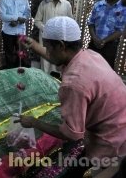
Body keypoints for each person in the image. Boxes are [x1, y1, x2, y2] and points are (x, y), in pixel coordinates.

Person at [17, 16, 126, 177]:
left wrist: (34, 122)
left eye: (47, 47)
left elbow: (72, 134)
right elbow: (56, 58)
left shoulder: (73, 84)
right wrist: (33, 45)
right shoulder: (89, 55)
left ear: (61, 45)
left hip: (111, 142)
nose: (46, 51)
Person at [34, 0, 73, 74]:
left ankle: (55, 83)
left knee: (58, 61)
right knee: (45, 61)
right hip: (46, 37)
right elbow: (37, 21)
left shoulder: (67, 5)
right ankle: (45, 83)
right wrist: (46, 29)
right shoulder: (44, 3)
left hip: (60, 39)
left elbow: (70, 22)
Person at [88, 0, 125, 69]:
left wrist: (104, 41)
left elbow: (120, 30)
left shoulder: (124, 9)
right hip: (94, 43)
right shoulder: (98, 5)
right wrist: (95, 38)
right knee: (89, 68)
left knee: (105, 70)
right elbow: (91, 23)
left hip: (110, 46)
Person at [0, 0, 30, 69]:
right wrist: (17, 18)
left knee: (21, 53)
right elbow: (2, 16)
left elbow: (28, 13)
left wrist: (20, 20)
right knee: (9, 54)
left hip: (21, 31)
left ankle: (21, 72)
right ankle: (10, 73)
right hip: (8, 32)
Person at [30, 0, 52, 68]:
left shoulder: (55, 1)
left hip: (51, 32)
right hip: (38, 30)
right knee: (36, 53)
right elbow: (33, 14)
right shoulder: (37, 0)